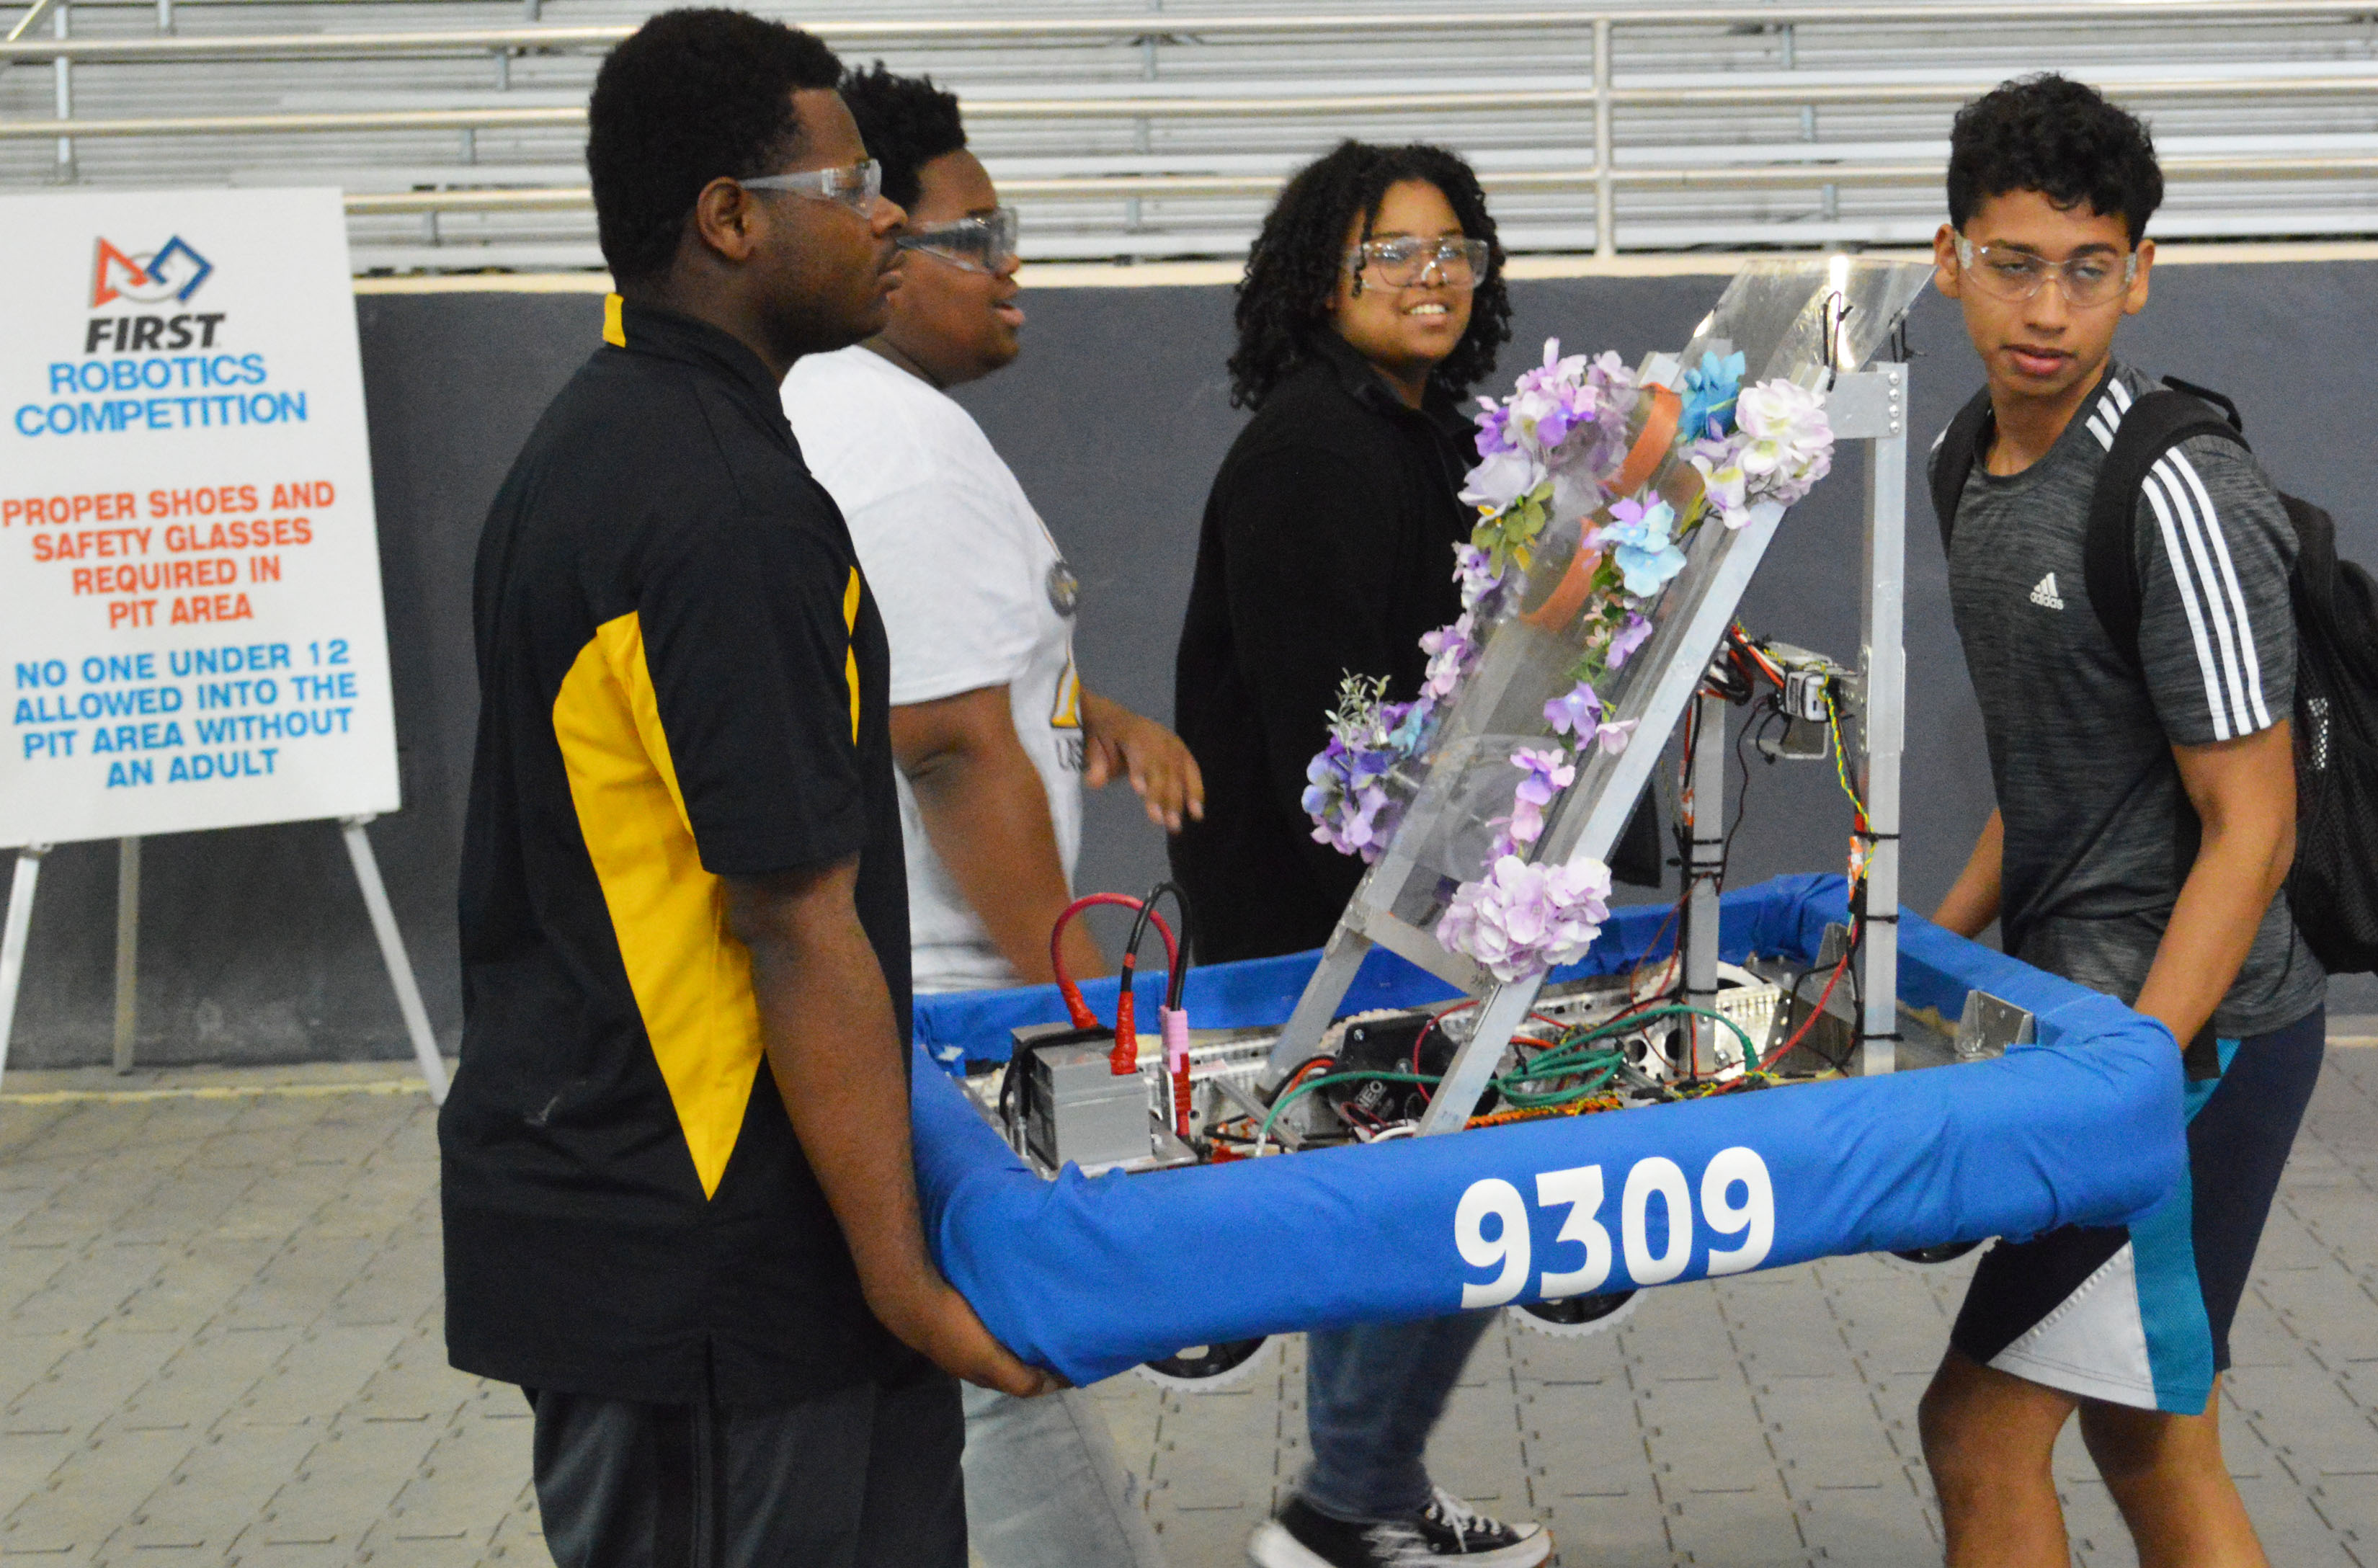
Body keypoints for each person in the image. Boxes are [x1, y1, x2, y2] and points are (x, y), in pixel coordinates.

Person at [442, 13, 1052, 1567]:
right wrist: (904, 1282)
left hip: (644, 1223)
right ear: (729, 220)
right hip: (714, 1258)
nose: (893, 218)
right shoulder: (721, 506)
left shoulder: (604, 440)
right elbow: (792, 919)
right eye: (853, 187)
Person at [1918, 74, 2325, 1568]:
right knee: (2153, 1435)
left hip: (2194, 1041)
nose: (2050, 306)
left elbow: (2254, 828)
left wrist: (2132, 1071)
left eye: (2090, 270)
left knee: (1977, 1430)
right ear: (1949, 254)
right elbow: (2050, 795)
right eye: (2015, 261)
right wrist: (1902, 956)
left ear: (2140, 274)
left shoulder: (2175, 489)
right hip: (2088, 1022)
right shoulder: (1968, 457)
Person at [781, 64, 1182, 1568]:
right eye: (974, 231)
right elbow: (948, 744)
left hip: (921, 1007)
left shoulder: (861, 417)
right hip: (958, 1015)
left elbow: (980, 683)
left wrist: (1093, 712)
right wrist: (1076, 1026)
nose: (1010, 261)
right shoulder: (898, 448)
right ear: (880, 245)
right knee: (1004, 1412)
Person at [1170, 141, 1551, 1568]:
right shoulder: (1315, 447)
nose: (1434, 272)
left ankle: (1363, 1490)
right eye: (1394, 249)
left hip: (1395, 888)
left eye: (1455, 246)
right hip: (1321, 899)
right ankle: (1348, 1500)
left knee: (1401, 1197)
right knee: (1439, 1190)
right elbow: (1331, 738)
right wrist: (1422, 902)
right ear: (1322, 276)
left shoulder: (1422, 426)